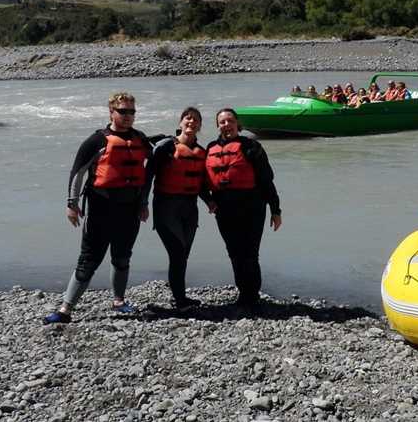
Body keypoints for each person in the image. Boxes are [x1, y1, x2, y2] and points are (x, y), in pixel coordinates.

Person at [43, 92, 150, 324]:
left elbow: (148, 172)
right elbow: (77, 172)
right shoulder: (97, 140)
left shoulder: (141, 139)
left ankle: (119, 301)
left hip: (130, 210)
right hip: (101, 209)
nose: (128, 116)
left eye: (132, 112)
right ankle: (65, 310)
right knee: (89, 260)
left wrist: (144, 203)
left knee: (122, 257)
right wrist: (72, 204)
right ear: (111, 111)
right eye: (123, 111)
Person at [206, 108, 281, 312]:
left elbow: (266, 180)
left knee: (250, 253)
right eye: (222, 122)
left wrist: (276, 209)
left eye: (230, 121)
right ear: (217, 125)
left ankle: (252, 295)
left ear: (237, 124)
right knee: (234, 253)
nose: (226, 125)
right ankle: (243, 293)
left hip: (252, 209)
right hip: (224, 211)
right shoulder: (210, 148)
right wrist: (208, 200)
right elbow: (204, 181)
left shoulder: (251, 146)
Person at [142, 107, 215, 310]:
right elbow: (148, 175)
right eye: (187, 118)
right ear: (180, 123)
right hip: (166, 206)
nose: (191, 122)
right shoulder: (167, 146)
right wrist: (143, 204)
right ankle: (180, 301)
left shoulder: (201, 152)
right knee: (177, 252)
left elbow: (199, 183)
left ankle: (180, 296)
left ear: (200, 125)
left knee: (183, 254)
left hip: (190, 209)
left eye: (195, 120)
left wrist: (208, 201)